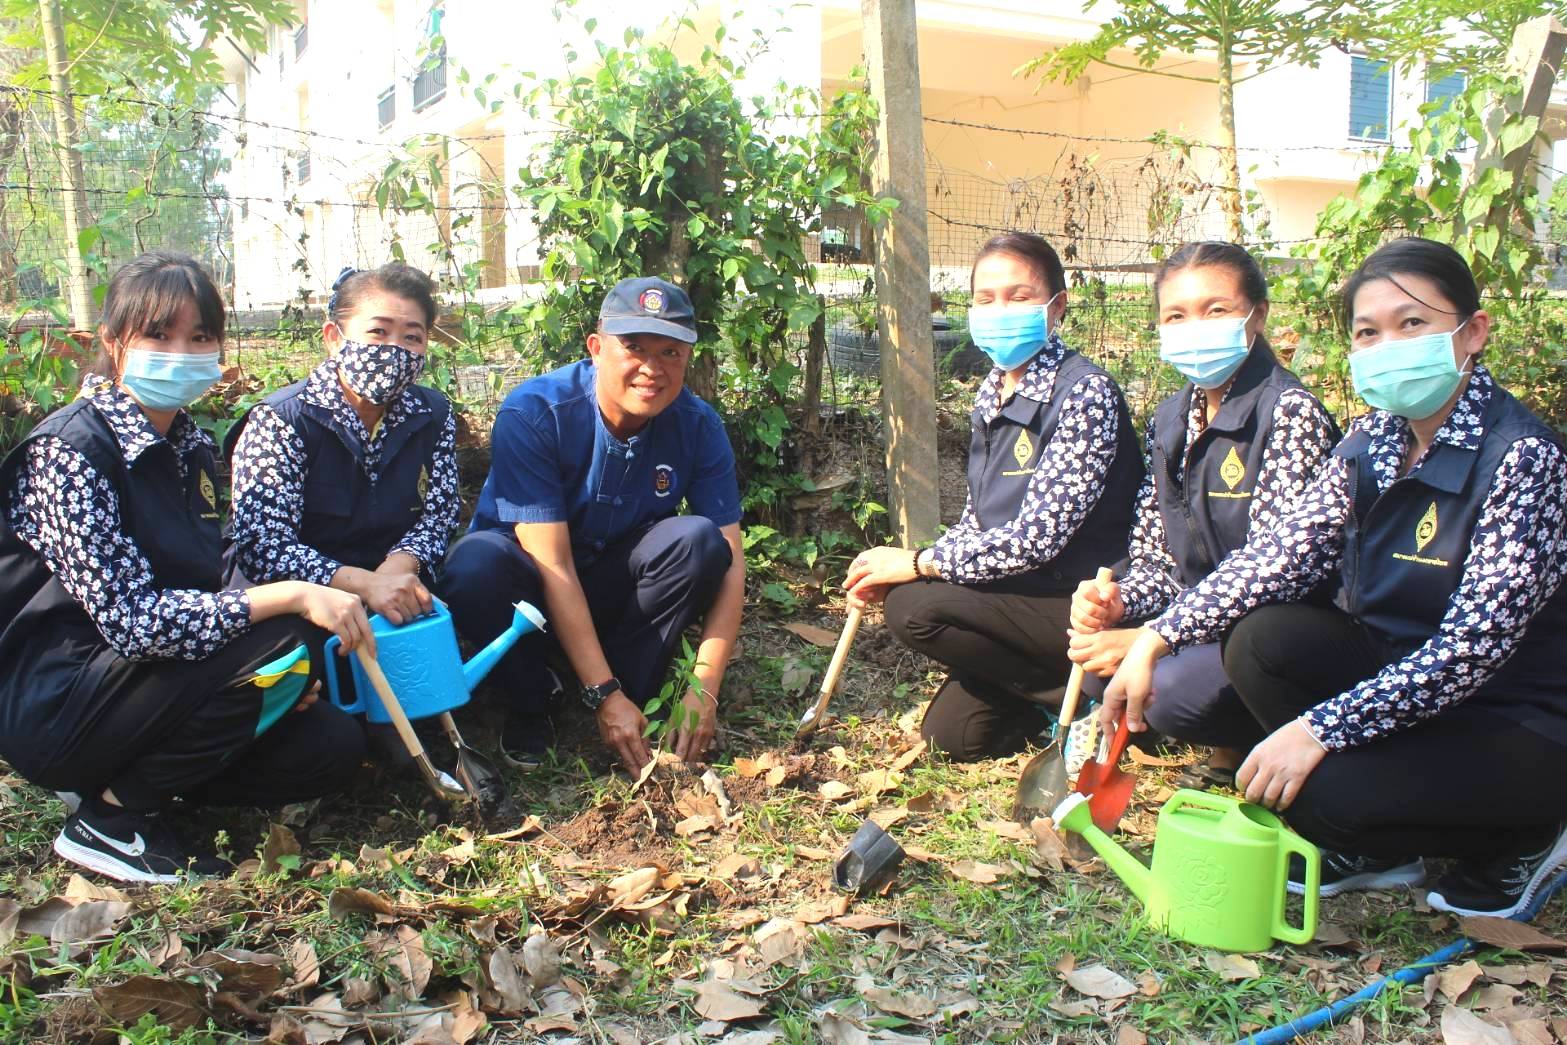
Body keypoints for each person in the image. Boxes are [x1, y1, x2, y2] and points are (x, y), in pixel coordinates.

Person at [1106, 237, 1567, 917]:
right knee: (1262, 640)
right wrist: (1157, 636)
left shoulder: (1522, 458)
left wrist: (1320, 730)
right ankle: (1385, 844)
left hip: (1512, 713)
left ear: (1472, 332)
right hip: (1399, 672)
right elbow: (1283, 553)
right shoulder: (1374, 438)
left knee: (1318, 794)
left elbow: (1470, 650)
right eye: (1367, 332)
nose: (1388, 345)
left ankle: (1529, 832)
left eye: (1412, 323)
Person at [0, 252, 372, 884]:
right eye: (158, 334)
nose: (182, 352)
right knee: (285, 628)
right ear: (113, 343)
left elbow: (204, 583)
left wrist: (268, 682)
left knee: (329, 745)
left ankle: (140, 781)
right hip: (60, 700)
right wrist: (289, 601)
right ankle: (111, 822)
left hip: (148, 688)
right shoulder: (69, 452)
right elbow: (134, 623)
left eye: (199, 336)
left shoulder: (188, 446)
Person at [844, 232, 1144, 762]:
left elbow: (1036, 540)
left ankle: (1100, 692)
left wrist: (916, 563)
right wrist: (897, 567)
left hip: (1081, 600)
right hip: (1021, 595)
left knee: (915, 606)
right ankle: (1060, 695)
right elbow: (978, 521)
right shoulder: (993, 390)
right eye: (985, 299)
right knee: (954, 738)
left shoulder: (1083, 393)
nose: (999, 311)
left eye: (1019, 296)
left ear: (1057, 306)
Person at [443, 277, 744, 773]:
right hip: (532, 591)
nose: (652, 368)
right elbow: (553, 563)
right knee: (474, 566)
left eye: (670, 352)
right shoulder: (535, 412)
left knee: (699, 542)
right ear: (596, 347)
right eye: (633, 347)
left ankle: (629, 688)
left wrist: (705, 688)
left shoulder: (698, 424)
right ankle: (533, 696)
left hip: (610, 587)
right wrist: (602, 692)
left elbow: (731, 562)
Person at [1067, 242, 1339, 788]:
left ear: (1257, 316)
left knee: (1164, 691)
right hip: (1196, 622)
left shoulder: (1289, 413)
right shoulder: (1172, 418)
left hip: (1269, 633)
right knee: (1098, 660)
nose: (1195, 327)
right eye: (1176, 315)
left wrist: (1154, 636)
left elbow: (1271, 577)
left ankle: (1247, 738)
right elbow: (1156, 554)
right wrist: (1123, 603)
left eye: (1215, 310)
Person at [228, 264, 457, 627]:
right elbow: (264, 545)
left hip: (396, 587)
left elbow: (440, 516)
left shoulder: (433, 414)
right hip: (303, 602)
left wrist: (398, 568)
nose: (395, 350)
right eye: (378, 331)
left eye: (412, 337)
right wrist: (364, 586)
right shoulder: (282, 420)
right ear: (334, 337)